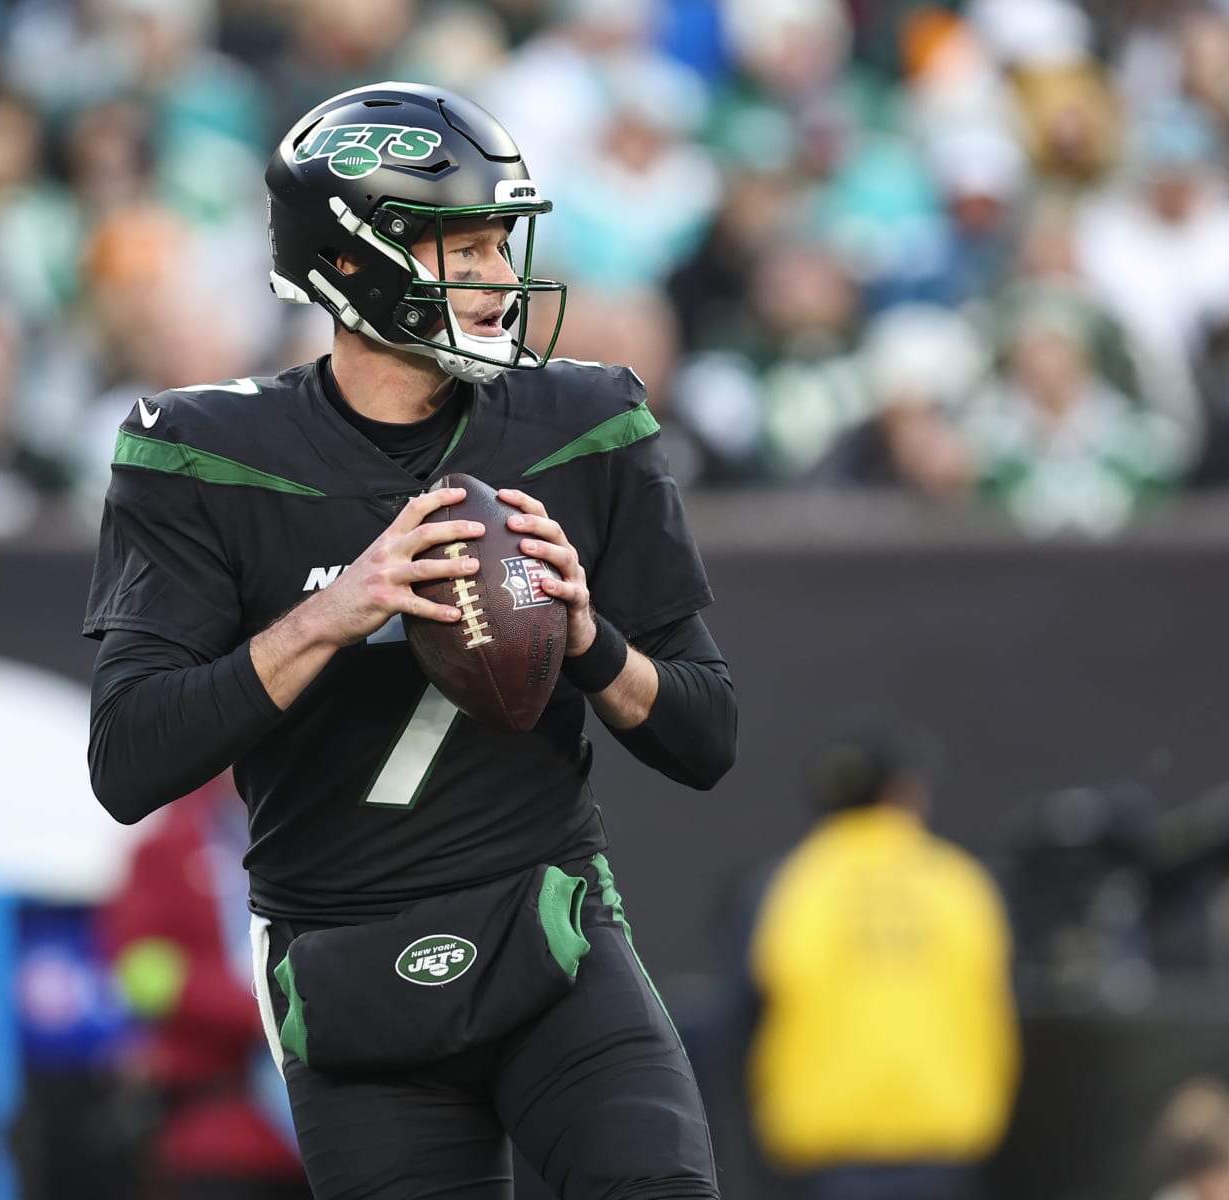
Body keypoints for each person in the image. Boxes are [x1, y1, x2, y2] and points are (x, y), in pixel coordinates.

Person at [86, 81, 737, 1199]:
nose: (498, 276)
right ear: (349, 265)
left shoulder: (582, 425)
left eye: (500, 241)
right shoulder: (202, 452)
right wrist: (338, 612)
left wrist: (589, 641)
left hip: (547, 930)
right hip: (345, 967)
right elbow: (129, 763)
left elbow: (706, 735)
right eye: (462, 247)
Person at [729, 730, 1018, 1200]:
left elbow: (739, 1026)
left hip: (823, 1157)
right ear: (905, 793)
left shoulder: (786, 886)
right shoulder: (962, 883)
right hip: (944, 1150)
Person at [98, 778, 309, 1200]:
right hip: (219, 1136)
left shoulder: (316, 832)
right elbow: (140, 973)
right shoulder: (167, 847)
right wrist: (259, 1004)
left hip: (323, 1132)